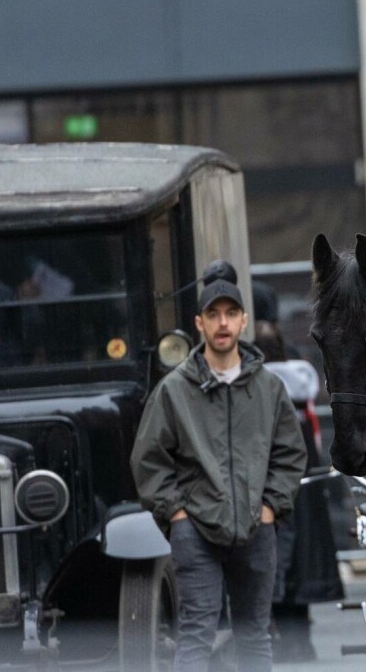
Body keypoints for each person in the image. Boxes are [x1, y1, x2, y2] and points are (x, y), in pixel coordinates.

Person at [131, 267, 307, 672]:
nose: (223, 322)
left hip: (257, 529)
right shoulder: (175, 390)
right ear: (199, 323)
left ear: (244, 320)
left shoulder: (268, 387)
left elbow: (290, 454)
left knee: (255, 636)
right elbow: (148, 459)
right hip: (196, 531)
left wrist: (270, 508)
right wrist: (177, 514)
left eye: (231, 313)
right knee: (195, 635)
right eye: (213, 314)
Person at [251, 279, 344, 663]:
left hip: (274, 474)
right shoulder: (290, 363)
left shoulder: (254, 366)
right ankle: (294, 639)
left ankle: (284, 637)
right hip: (295, 473)